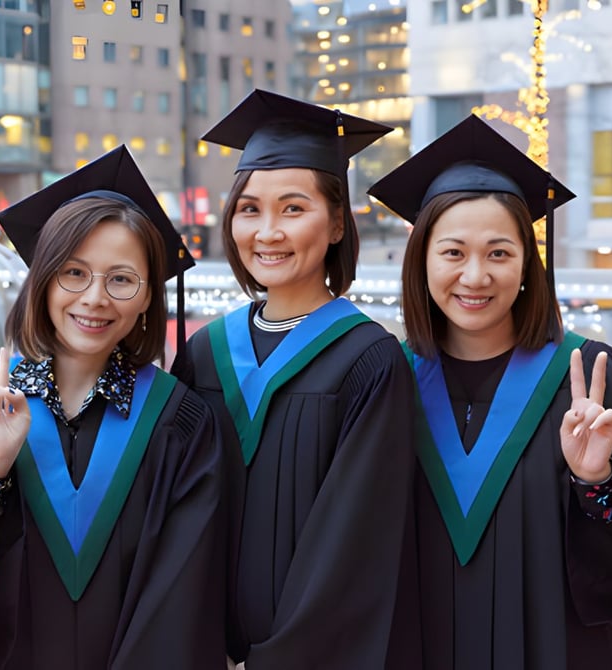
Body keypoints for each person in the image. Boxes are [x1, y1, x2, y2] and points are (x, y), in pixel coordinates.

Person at [0, 146, 226, 669]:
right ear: (42, 281)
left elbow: (185, 592)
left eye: (122, 279)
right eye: (74, 273)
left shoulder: (179, 421)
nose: (94, 298)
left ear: (148, 296)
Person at [367, 115, 612, 669]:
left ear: (526, 266)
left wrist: (599, 480)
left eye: (499, 252)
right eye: (452, 253)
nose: (475, 276)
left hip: (555, 649)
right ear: (420, 260)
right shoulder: (386, 381)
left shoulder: (588, 376)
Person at [171, 89, 420, 669]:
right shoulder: (206, 352)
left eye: (292, 208)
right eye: (250, 209)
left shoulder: (369, 360)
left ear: (336, 224)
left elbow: (355, 546)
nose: (267, 231)